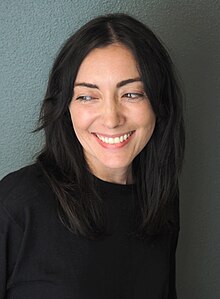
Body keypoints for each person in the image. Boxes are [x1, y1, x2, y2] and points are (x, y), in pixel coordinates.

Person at [0, 13, 185, 299]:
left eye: (132, 94)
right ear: (66, 107)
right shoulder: (16, 203)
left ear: (159, 103)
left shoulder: (161, 199)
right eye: (87, 96)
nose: (111, 119)